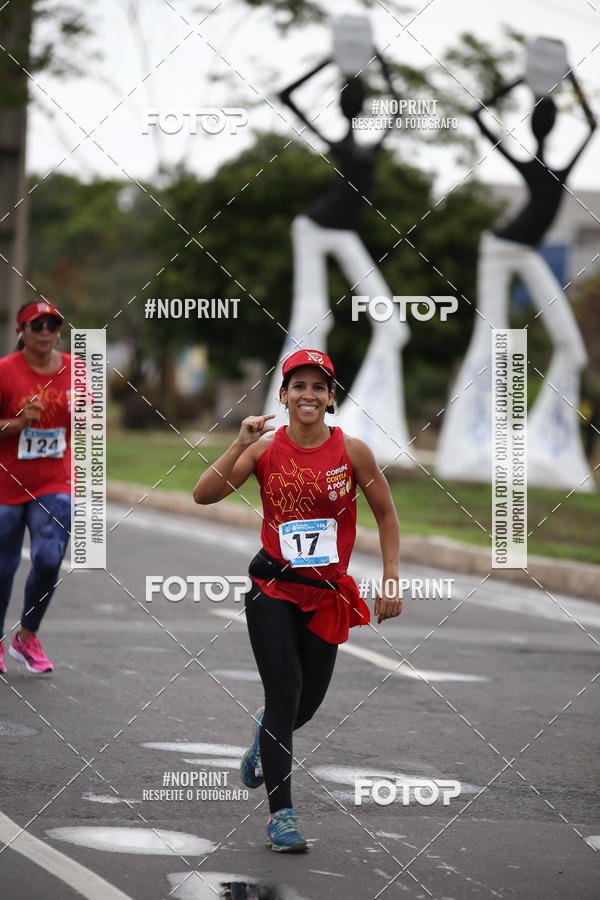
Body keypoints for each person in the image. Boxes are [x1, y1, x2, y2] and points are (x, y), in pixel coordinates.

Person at [193, 349, 402, 852]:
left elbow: (386, 515)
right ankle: (281, 816)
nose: (308, 395)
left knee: (304, 705)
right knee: (284, 694)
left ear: (331, 398)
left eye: (318, 387)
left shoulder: (353, 452)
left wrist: (391, 577)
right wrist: (237, 444)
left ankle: (261, 744)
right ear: (283, 395)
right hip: (272, 587)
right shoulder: (264, 450)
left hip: (326, 595)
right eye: (299, 386)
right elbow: (203, 494)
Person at [0, 300, 72, 675]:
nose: (45, 332)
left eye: (52, 325)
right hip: (6, 481)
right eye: (37, 325)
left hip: (53, 480)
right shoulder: (5, 371)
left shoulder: (76, 370)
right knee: (3, 567)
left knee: (48, 557)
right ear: (22, 331)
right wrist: (17, 423)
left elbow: (90, 425)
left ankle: (26, 637)